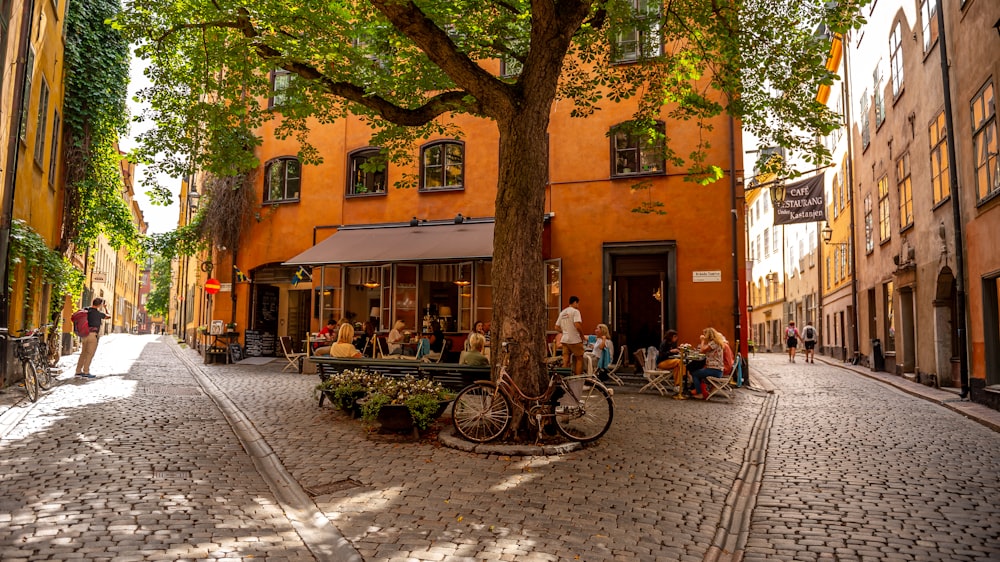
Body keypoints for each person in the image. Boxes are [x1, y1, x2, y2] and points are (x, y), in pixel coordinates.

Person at [689, 327, 726, 400]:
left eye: (705, 334)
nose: (704, 336)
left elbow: (702, 350)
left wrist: (702, 341)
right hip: (717, 369)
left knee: (694, 373)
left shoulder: (714, 343)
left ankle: (700, 393)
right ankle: (698, 390)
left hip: (715, 370)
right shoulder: (716, 342)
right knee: (698, 371)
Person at [76, 297, 109, 378]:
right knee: (90, 354)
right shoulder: (98, 313)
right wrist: (105, 308)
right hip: (92, 335)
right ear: (100, 305)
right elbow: (108, 316)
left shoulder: (86, 310)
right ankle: (86, 371)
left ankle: (78, 371)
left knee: (83, 353)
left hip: (84, 334)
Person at [555, 296, 585, 378]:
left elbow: (556, 327)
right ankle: (577, 378)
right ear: (575, 302)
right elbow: (577, 325)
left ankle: (563, 379)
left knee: (566, 360)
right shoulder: (575, 312)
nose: (578, 305)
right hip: (574, 339)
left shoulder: (563, 312)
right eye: (577, 303)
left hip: (564, 339)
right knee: (579, 358)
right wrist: (582, 336)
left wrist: (564, 331)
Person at [655, 329, 686, 398]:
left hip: (669, 362)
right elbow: (662, 355)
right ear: (672, 336)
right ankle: (685, 374)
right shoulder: (664, 343)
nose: (677, 338)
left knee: (677, 367)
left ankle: (677, 386)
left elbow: (672, 351)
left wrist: (677, 350)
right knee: (679, 362)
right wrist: (671, 351)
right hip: (661, 363)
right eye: (676, 337)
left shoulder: (672, 343)